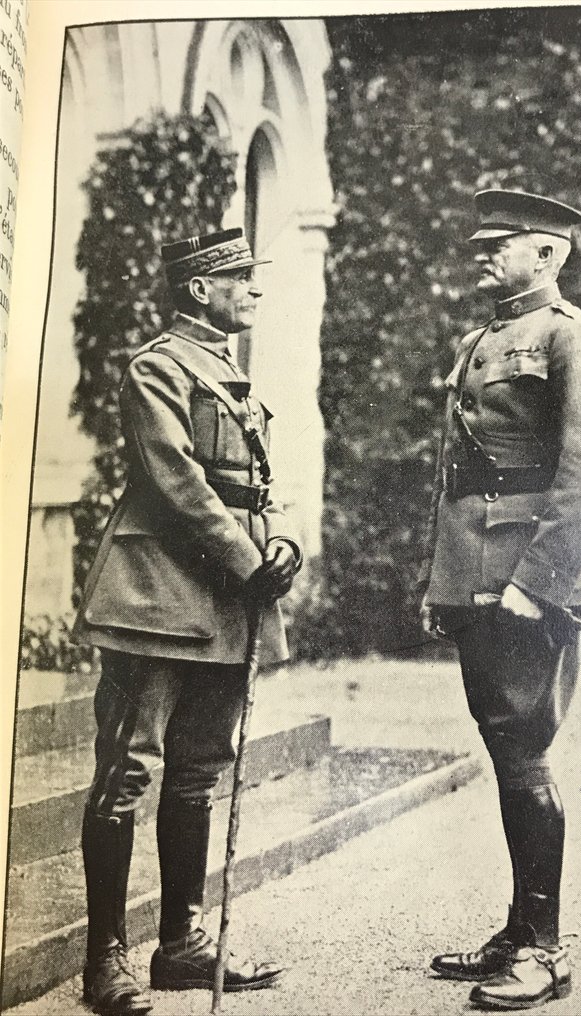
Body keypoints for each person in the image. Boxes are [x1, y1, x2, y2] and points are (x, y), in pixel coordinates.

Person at [73, 227, 302, 1016]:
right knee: (128, 770)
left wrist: (283, 544)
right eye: (242, 277)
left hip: (223, 598)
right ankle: (104, 959)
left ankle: (180, 944)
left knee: (200, 770)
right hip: (156, 598)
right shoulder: (157, 367)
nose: (254, 290)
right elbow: (174, 480)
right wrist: (249, 565)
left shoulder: (229, 372)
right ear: (200, 288)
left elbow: (252, 487)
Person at [419, 189, 581, 1010]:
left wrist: (536, 587)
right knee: (506, 750)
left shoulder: (574, 339)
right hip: (477, 575)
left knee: (525, 754)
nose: (481, 251)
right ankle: (518, 929)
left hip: (527, 583)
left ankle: (544, 949)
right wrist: (446, 582)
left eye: (499, 242)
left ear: (548, 253)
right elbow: (457, 474)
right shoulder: (482, 340)